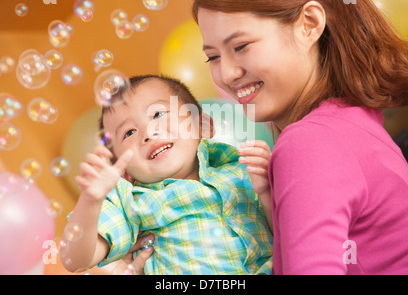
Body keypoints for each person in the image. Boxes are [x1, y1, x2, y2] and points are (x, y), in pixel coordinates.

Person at [192, 0, 408, 274]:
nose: (227, 73)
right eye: (212, 56)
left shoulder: (310, 142)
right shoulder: (348, 119)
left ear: (310, 24)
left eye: (241, 46)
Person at [62, 74, 273, 274]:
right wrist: (90, 202)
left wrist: (265, 192)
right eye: (129, 133)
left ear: (201, 124)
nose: (148, 133)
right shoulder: (131, 202)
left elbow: (288, 234)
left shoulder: (245, 171)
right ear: (124, 170)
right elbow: (76, 259)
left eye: (158, 114)